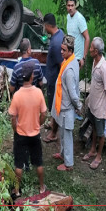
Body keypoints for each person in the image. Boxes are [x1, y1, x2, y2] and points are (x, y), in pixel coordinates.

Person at [8, 61, 47, 198]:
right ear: (32, 77)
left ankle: (17, 191)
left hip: (21, 134)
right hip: (35, 132)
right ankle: (42, 187)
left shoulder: (17, 95)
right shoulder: (38, 93)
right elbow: (44, 114)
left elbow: (13, 117)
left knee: (19, 164)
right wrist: (39, 123)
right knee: (38, 162)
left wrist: (15, 129)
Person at [51, 35, 82, 171]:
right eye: (61, 49)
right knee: (63, 134)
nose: (61, 52)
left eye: (64, 50)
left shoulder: (69, 70)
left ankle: (68, 164)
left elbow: (73, 94)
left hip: (67, 107)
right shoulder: (72, 60)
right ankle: (63, 154)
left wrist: (79, 107)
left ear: (70, 50)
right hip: (63, 106)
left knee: (67, 135)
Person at [83, 37, 106, 170]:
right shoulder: (95, 62)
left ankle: (99, 156)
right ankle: (93, 149)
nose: (89, 50)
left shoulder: (104, 68)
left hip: (100, 106)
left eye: (91, 48)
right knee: (94, 126)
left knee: (100, 132)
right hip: (93, 103)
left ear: (96, 51)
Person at [42, 13, 64, 143]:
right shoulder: (60, 33)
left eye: (45, 26)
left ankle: (53, 133)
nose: (44, 28)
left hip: (54, 80)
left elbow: (62, 64)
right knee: (53, 106)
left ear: (48, 26)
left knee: (54, 107)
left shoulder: (56, 44)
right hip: (54, 78)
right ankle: (52, 123)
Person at [65, 0, 90, 68]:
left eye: (72, 5)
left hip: (78, 58)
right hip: (70, 55)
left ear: (75, 5)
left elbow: (87, 38)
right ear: (66, 6)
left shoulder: (79, 18)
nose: (70, 8)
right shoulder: (68, 17)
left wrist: (84, 58)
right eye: (68, 5)